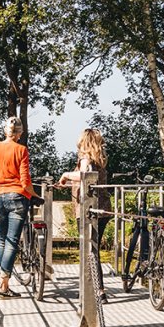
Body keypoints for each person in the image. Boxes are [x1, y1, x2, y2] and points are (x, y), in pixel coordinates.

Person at [56, 127, 112, 301]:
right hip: (103, 207)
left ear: (84, 142)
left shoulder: (85, 158)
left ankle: (97, 291)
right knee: (93, 249)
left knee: (90, 250)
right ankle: (97, 289)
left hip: (89, 209)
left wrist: (65, 175)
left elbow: (84, 174)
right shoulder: (100, 159)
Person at [0, 116, 35, 298]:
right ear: (20, 133)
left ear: (4, 131)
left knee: (1, 239)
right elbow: (24, 180)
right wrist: (34, 195)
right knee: (12, 240)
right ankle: (4, 284)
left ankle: (3, 281)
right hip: (17, 196)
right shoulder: (21, 150)